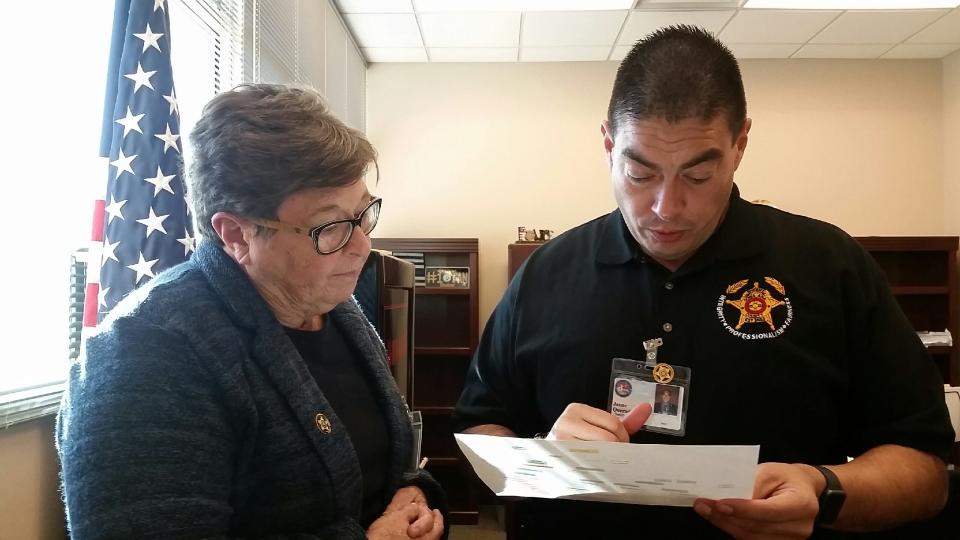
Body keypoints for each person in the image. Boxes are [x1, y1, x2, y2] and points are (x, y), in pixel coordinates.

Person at [453, 26, 953, 539]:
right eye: (640, 173)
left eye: (697, 175)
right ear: (608, 143)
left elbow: (925, 468)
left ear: (740, 145)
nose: (666, 209)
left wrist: (823, 490)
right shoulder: (544, 275)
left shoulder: (830, 266)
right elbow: (478, 431)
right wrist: (543, 457)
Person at [57, 84, 446, 539]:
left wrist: (415, 493)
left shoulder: (334, 306)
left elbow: (383, 464)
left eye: (363, 214)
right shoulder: (143, 355)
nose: (362, 245)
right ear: (237, 234)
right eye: (331, 226)